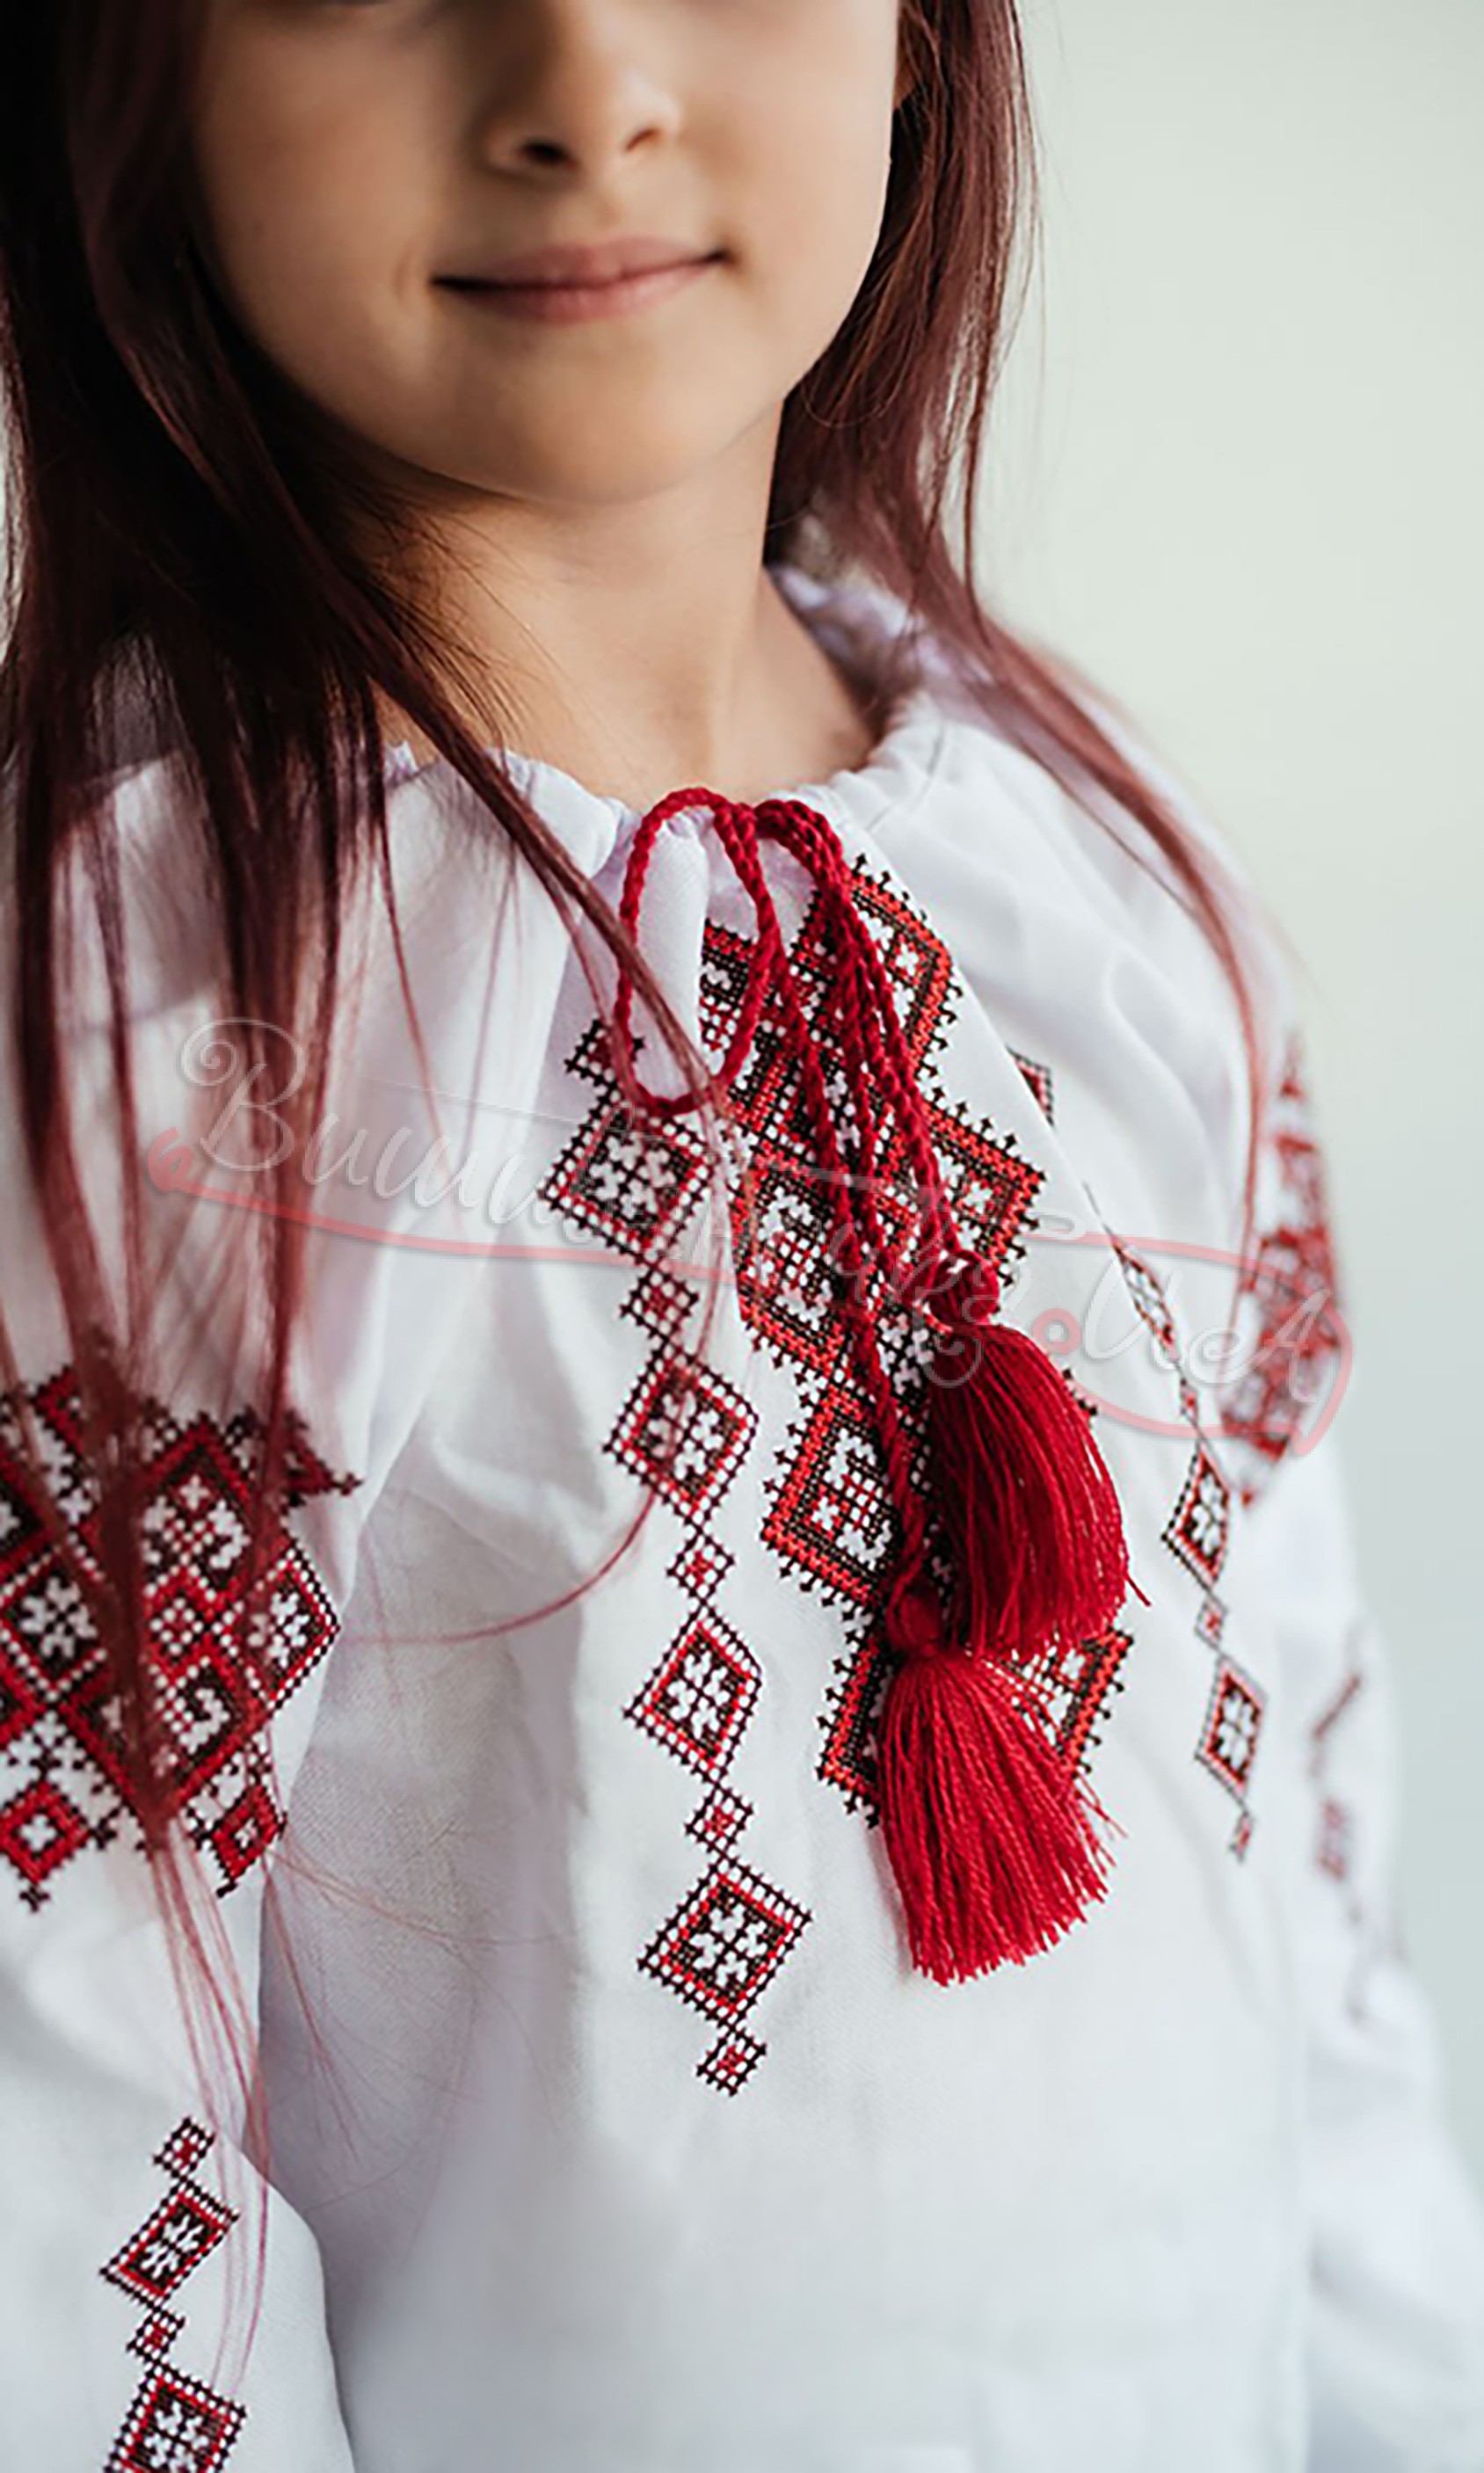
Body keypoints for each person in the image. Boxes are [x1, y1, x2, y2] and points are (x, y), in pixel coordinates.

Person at [0, 4, 1480, 2469]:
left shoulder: (1105, 897)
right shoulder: (155, 1041)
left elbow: (1312, 1901)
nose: (583, 88)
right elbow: (60, 2190)